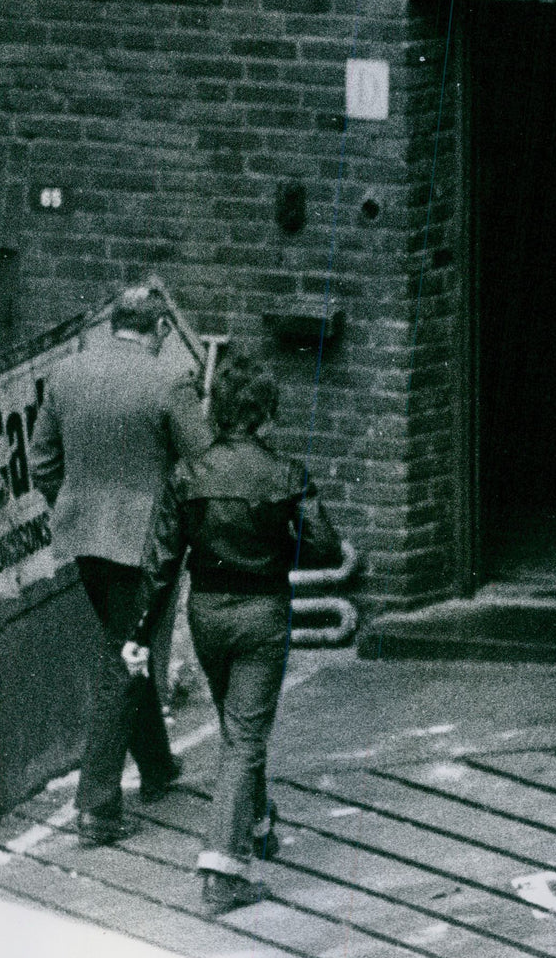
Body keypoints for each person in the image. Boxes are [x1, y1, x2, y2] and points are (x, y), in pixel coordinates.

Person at [123, 343, 343, 914]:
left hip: (208, 616)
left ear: (218, 411)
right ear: (265, 412)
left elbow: (161, 561)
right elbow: (323, 546)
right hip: (264, 615)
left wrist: (139, 632)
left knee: (238, 728)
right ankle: (222, 871)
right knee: (244, 738)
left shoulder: (187, 474)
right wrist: (277, 535)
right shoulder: (286, 473)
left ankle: (259, 822)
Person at [30, 276, 213, 846]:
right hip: (144, 548)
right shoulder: (169, 382)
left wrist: (78, 509)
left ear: (112, 325)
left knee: (123, 646)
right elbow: (204, 462)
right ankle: (97, 805)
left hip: (85, 541)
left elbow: (42, 463)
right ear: (159, 328)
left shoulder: (65, 374)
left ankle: (157, 770)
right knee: (126, 662)